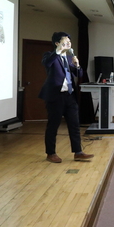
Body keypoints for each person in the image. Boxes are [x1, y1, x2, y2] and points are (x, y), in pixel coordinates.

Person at [39, 32, 93, 163]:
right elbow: (47, 63)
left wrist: (77, 64)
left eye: (69, 41)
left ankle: (78, 152)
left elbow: (79, 74)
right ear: (57, 43)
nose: (68, 43)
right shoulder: (50, 56)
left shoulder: (69, 58)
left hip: (70, 96)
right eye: (65, 41)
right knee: (53, 126)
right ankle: (50, 153)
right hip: (55, 97)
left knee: (74, 125)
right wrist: (58, 51)